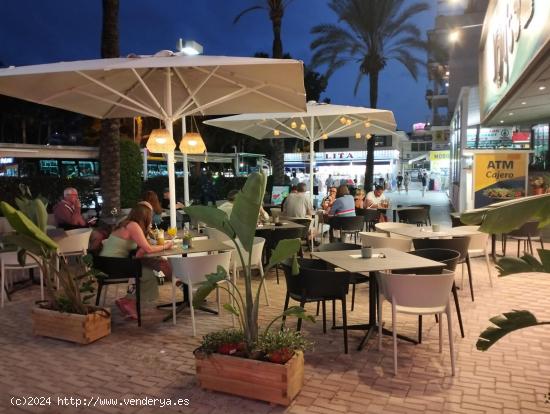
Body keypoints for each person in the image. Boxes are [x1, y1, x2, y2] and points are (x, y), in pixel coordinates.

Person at [99, 201, 174, 320]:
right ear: (145, 216)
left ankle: (128, 301)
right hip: (113, 265)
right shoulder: (133, 226)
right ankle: (128, 301)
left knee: (157, 264)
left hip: (109, 262)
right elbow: (148, 249)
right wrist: (166, 246)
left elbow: (139, 253)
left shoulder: (126, 223)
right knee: (147, 272)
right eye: (150, 215)